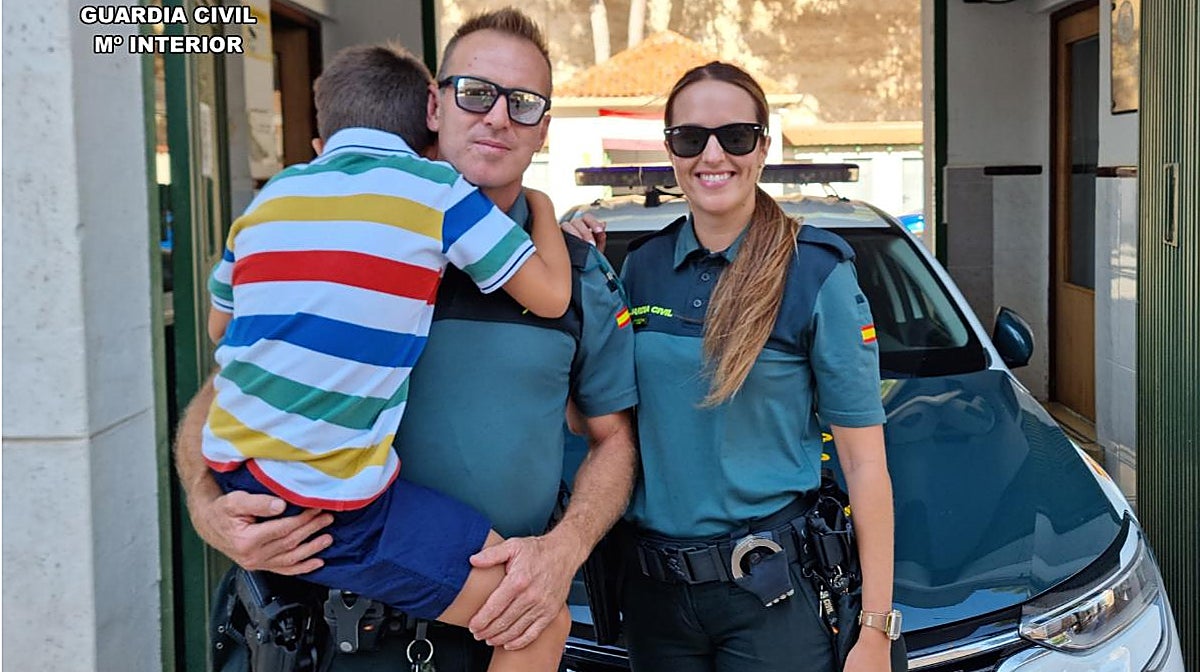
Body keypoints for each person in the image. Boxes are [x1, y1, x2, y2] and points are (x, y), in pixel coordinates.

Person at [174, 8, 639, 672]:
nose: (498, 117)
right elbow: (227, 385)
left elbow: (613, 440)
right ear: (433, 104)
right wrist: (205, 505)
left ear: (544, 129)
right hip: (322, 635)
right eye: (475, 92)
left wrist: (564, 550)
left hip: (495, 624)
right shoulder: (335, 242)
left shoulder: (580, 271)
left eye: (524, 103)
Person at [565, 61, 895, 672]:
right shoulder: (639, 267)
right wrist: (572, 274)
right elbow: (595, 423)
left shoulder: (816, 271)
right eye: (690, 138)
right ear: (671, 150)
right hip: (654, 595)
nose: (712, 155)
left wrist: (875, 628)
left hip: (771, 596)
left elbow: (864, 463)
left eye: (736, 136)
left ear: (763, 147)